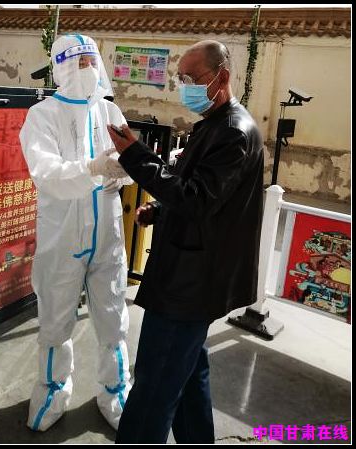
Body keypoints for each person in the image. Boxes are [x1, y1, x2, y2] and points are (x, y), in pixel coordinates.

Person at [107, 40, 264, 443]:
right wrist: (159, 211)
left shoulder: (234, 133)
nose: (185, 87)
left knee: (155, 385)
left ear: (222, 77)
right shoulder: (214, 125)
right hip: (190, 274)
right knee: (189, 373)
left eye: (192, 79)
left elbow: (197, 199)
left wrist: (137, 156)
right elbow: (203, 193)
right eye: (180, 79)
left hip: (190, 284)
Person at [19, 34, 133, 432]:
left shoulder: (109, 110)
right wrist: (93, 169)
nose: (87, 69)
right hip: (63, 235)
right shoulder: (43, 115)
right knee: (55, 318)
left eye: (91, 61)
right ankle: (52, 391)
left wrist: (123, 171)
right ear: (60, 68)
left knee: (113, 315)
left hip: (108, 235)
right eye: (78, 62)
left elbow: (129, 160)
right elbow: (46, 173)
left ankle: (116, 391)